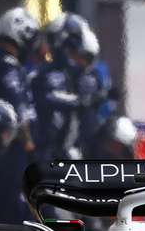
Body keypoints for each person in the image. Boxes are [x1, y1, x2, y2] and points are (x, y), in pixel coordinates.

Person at [0, 7, 39, 224]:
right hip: (10, 149)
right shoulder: (8, 67)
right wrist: (31, 146)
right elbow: (19, 114)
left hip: (0, 147)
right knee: (11, 211)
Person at [32, 13, 102, 162]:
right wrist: (79, 101)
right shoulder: (47, 74)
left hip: (77, 149)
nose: (82, 62)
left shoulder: (86, 76)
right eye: (77, 55)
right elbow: (47, 97)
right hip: (48, 151)